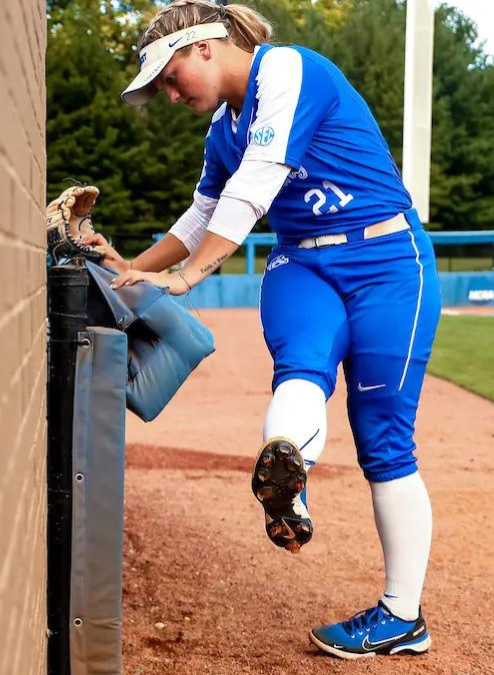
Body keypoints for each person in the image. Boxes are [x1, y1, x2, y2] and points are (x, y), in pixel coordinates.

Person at [80, 0, 441, 660]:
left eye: (169, 74)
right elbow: (201, 215)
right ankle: (287, 478)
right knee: (299, 364)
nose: (167, 92)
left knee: (384, 436)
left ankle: (401, 614)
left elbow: (254, 187)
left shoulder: (288, 70)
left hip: (389, 262)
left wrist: (189, 278)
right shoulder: (224, 128)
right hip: (304, 263)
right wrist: (133, 267)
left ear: (206, 48)